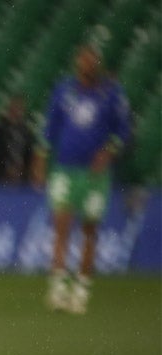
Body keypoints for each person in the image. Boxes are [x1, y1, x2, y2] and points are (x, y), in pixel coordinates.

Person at [31, 42, 131, 314]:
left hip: (95, 175)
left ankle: (81, 290)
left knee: (89, 231)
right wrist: (40, 161)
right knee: (61, 226)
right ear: (77, 62)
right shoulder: (64, 90)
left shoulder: (111, 94)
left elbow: (123, 130)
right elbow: (49, 128)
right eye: (82, 59)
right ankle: (58, 288)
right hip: (65, 169)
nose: (86, 64)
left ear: (97, 63)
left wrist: (108, 151)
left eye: (91, 60)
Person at [0, 94, 35, 186]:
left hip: (22, 177)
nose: (17, 111)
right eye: (15, 107)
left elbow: (29, 154)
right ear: (10, 108)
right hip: (1, 176)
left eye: (20, 108)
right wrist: (8, 168)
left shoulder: (26, 131)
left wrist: (21, 169)